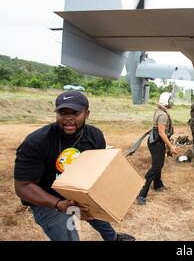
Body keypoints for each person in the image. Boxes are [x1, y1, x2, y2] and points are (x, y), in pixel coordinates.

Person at [14, 91, 135, 241]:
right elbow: (23, 187)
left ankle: (112, 238)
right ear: (56, 113)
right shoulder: (37, 142)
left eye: (76, 113)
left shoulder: (95, 136)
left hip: (79, 192)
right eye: (62, 113)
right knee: (68, 236)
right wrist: (59, 204)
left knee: (97, 216)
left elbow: (99, 170)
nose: (68, 118)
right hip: (48, 198)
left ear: (87, 114)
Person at [137, 92, 177, 205]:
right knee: (156, 167)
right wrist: (171, 146)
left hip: (156, 142)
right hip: (156, 143)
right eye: (170, 100)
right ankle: (141, 194)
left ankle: (158, 185)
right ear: (166, 101)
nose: (172, 102)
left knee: (159, 164)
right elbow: (162, 133)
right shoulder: (163, 115)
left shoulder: (160, 111)